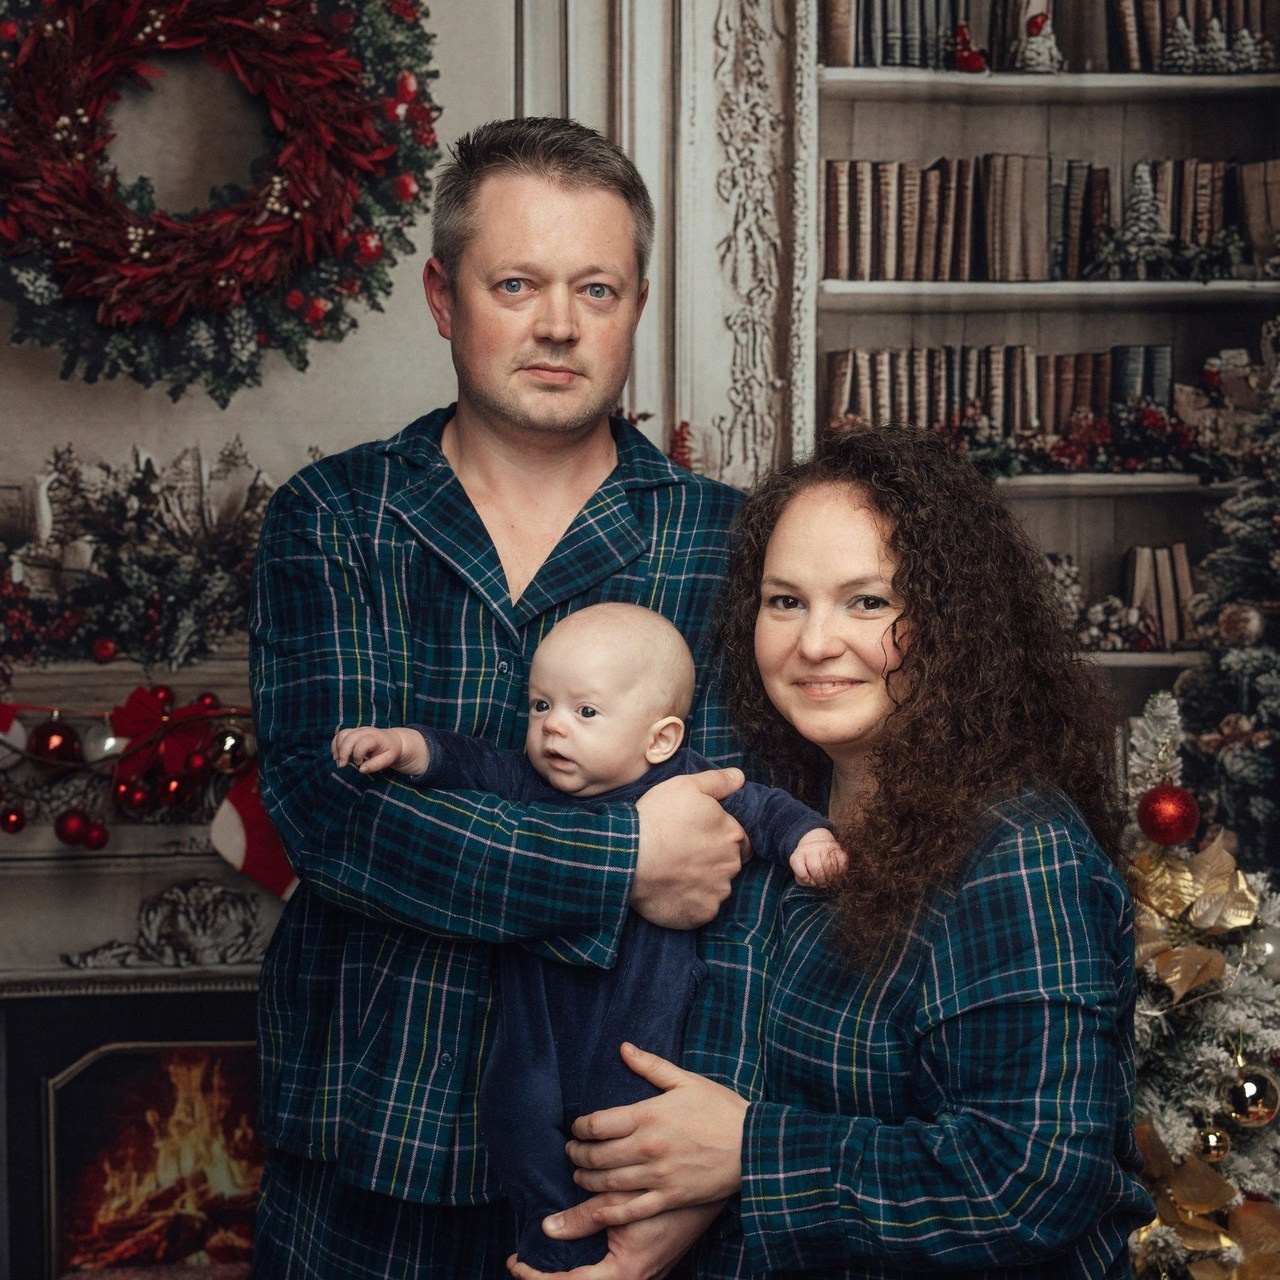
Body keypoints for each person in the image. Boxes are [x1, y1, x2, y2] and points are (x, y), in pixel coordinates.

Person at [248, 116, 783, 1279]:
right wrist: (621, 860)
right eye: (516, 283)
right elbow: (336, 819)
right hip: (371, 1131)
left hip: (629, 1145)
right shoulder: (333, 517)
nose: (555, 324)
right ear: (443, 297)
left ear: (638, 304)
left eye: (595, 287)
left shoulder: (724, 540)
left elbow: (741, 873)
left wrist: (701, 1162)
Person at [522, 425, 1156, 1280]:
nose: (815, 643)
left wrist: (751, 1151)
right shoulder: (773, 810)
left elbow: (1033, 1181)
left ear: (953, 620)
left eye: (868, 602)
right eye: (785, 601)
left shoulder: (1018, 852)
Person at [331, 601, 846, 1271]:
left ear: (659, 739)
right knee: (515, 1117)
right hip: (533, 1031)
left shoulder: (688, 780)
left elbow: (766, 808)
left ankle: (613, 1249)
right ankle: (552, 1247)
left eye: (585, 713)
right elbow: (470, 764)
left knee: (625, 1139)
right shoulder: (532, 782)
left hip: (637, 1032)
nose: (552, 730)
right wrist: (408, 748)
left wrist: (809, 838)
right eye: (541, 706)